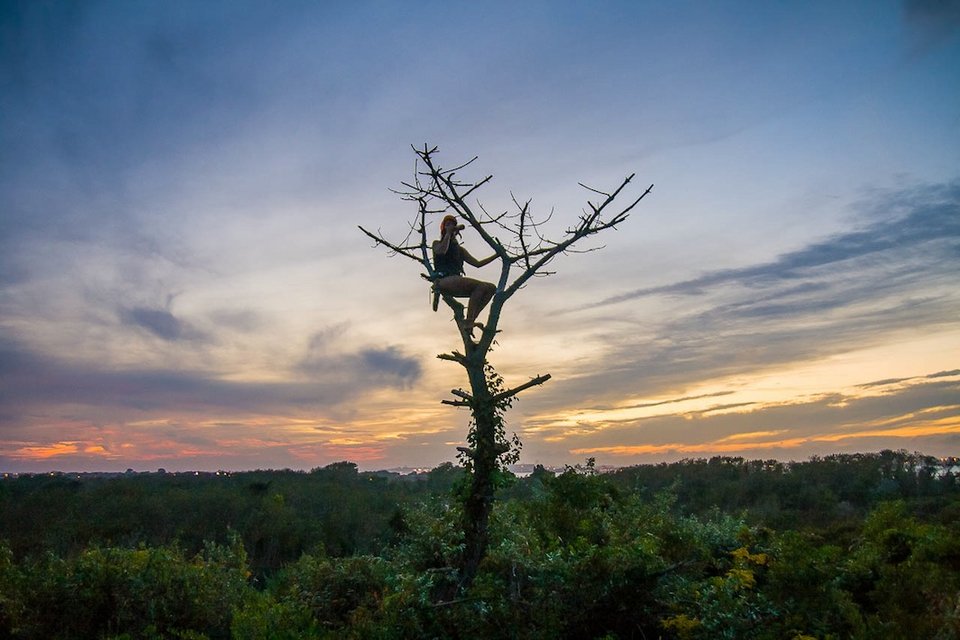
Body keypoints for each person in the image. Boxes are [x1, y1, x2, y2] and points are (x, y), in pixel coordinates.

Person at [432, 214, 497, 336]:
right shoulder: (437, 244)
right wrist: (448, 234)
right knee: (481, 286)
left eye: (452, 225)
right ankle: (469, 322)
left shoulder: (459, 250)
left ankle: (470, 320)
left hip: (457, 281)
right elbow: (441, 251)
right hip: (444, 280)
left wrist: (497, 255)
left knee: (491, 288)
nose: (451, 227)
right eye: (448, 224)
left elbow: (478, 264)